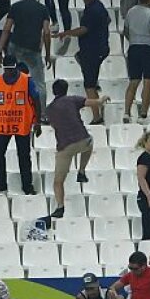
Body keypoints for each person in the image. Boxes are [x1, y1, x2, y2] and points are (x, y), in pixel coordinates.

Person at [45, 80, 106, 218]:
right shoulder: (73, 100)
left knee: (58, 181)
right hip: (81, 140)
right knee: (90, 142)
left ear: (54, 92)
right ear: (66, 90)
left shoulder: (49, 109)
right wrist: (102, 99)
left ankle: (60, 207)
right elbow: (94, 102)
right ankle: (81, 170)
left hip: (64, 147)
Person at [0, 55, 42, 195]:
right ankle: (1, 183)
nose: (9, 72)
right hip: (3, 123)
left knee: (24, 155)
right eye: (6, 69)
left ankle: (27, 186)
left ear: (16, 67)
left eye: (11, 69)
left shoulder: (26, 80)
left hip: (21, 122)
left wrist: (37, 121)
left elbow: (36, 100)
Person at [57, 0, 111, 123]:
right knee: (79, 56)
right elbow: (108, 19)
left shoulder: (93, 10)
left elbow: (83, 30)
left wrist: (66, 33)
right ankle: (95, 84)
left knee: (89, 85)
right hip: (96, 49)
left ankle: (96, 116)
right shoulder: (98, 7)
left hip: (93, 50)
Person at [0, 0, 52, 95]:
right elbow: (46, 32)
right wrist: (47, 54)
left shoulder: (16, 7)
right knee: (39, 83)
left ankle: (13, 105)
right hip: (33, 48)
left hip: (16, 46)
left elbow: (6, 29)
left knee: (12, 80)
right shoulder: (43, 9)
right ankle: (41, 111)